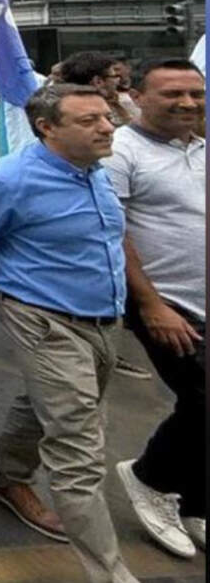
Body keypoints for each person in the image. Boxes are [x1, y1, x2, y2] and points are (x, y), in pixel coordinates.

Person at [0, 84, 138, 583]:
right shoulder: (5, 181)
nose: (107, 126)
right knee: (78, 447)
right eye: (89, 120)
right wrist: (6, 286)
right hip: (46, 323)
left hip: (104, 320)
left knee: (42, 399)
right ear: (47, 127)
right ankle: (110, 572)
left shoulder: (99, 172)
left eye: (107, 117)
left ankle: (5, 476)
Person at [102, 59, 205, 557]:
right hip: (166, 305)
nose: (187, 103)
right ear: (137, 96)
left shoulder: (203, 148)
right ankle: (149, 476)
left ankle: (197, 503)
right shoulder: (121, 151)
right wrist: (152, 304)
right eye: (173, 94)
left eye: (195, 93)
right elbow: (112, 232)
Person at [61, 51, 133, 128]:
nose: (117, 80)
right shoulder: (90, 111)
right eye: (114, 76)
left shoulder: (61, 108)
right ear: (98, 81)